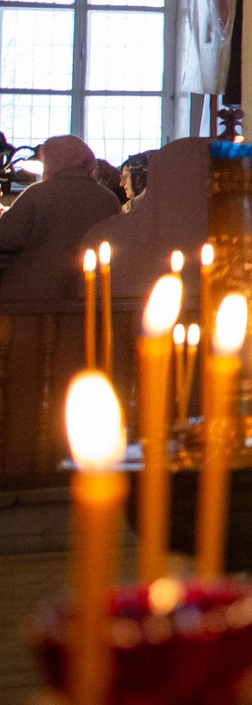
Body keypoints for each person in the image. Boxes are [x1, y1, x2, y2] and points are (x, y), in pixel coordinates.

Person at [0, 137, 127, 480]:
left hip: (27, 306)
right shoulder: (107, 198)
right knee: (66, 384)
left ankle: (17, 465)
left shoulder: (38, 195)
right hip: (84, 307)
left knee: (20, 389)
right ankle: (63, 456)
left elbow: (6, 238)